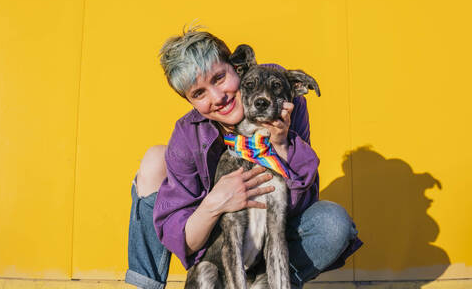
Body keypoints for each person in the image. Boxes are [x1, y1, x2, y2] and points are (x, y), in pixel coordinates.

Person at [125, 26, 363, 289]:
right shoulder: (188, 134)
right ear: (190, 102)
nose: (218, 97)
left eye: (218, 78)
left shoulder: (281, 98)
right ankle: (144, 285)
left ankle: (268, 284)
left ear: (236, 68)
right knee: (155, 159)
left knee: (332, 223)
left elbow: (301, 199)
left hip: (273, 236)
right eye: (198, 93)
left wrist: (280, 146)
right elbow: (185, 241)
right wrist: (216, 202)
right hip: (216, 249)